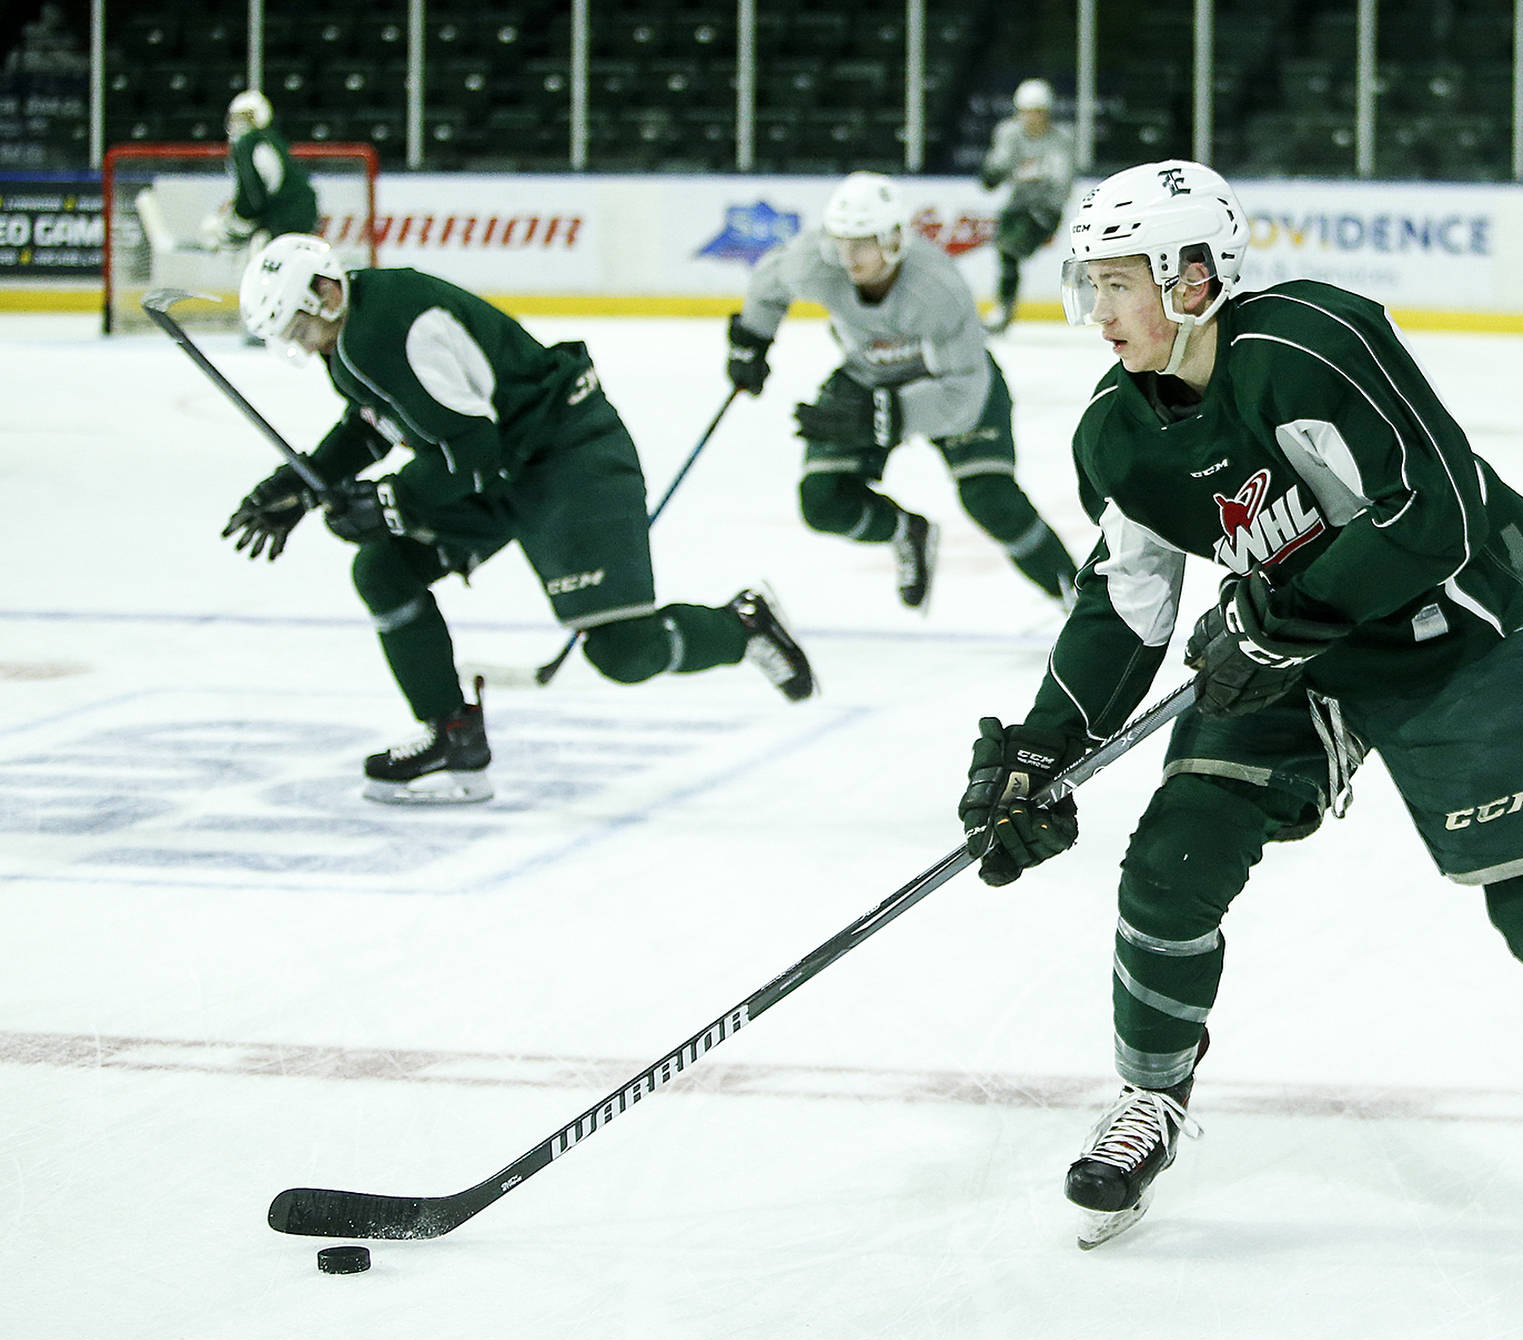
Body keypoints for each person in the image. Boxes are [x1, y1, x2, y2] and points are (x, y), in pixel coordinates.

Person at [956, 160, 1523, 1254]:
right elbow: (1123, 601)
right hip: (1289, 653)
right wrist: (1042, 749)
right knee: (1172, 856)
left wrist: (1273, 621)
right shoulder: (1115, 434)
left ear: (1192, 277)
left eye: (1117, 283)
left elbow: (1433, 513)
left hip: (1451, 640)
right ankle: (1148, 1098)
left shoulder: (1311, 345)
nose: (1095, 312)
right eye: (1087, 284)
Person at [225, 234, 816, 805]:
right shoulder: (351, 339)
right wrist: (300, 484)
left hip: (566, 455)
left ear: (325, 294)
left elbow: (472, 448)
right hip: (504, 469)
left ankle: (744, 626)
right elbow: (375, 423)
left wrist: (390, 502)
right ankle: (452, 734)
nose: (303, 346)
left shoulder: (381, 330)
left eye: (301, 330)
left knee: (624, 652)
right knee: (383, 570)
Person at [725, 171, 1078, 610]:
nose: (848, 256)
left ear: (893, 238)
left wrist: (885, 415)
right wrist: (750, 342)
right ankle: (905, 532)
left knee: (991, 500)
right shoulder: (816, 260)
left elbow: (963, 396)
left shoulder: (938, 287)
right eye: (841, 240)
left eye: (862, 242)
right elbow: (768, 283)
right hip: (867, 376)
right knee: (821, 501)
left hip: (950, 383)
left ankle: (1079, 600)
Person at [978, 78, 1078, 335]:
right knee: (1004, 250)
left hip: (1045, 209)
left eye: (1037, 112)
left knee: (1009, 248)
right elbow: (995, 171)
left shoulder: (1060, 140)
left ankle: (1003, 307)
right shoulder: (1010, 134)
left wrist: (1046, 210)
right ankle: (1004, 306)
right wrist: (993, 172)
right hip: (1018, 206)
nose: (1032, 119)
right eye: (1026, 112)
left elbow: (1061, 184)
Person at [198, 91, 318, 258]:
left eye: (246, 118)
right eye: (237, 118)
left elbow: (253, 202)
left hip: (284, 220)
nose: (240, 124)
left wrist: (229, 228)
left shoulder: (248, 143)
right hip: (299, 213)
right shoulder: (271, 138)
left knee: (261, 262)